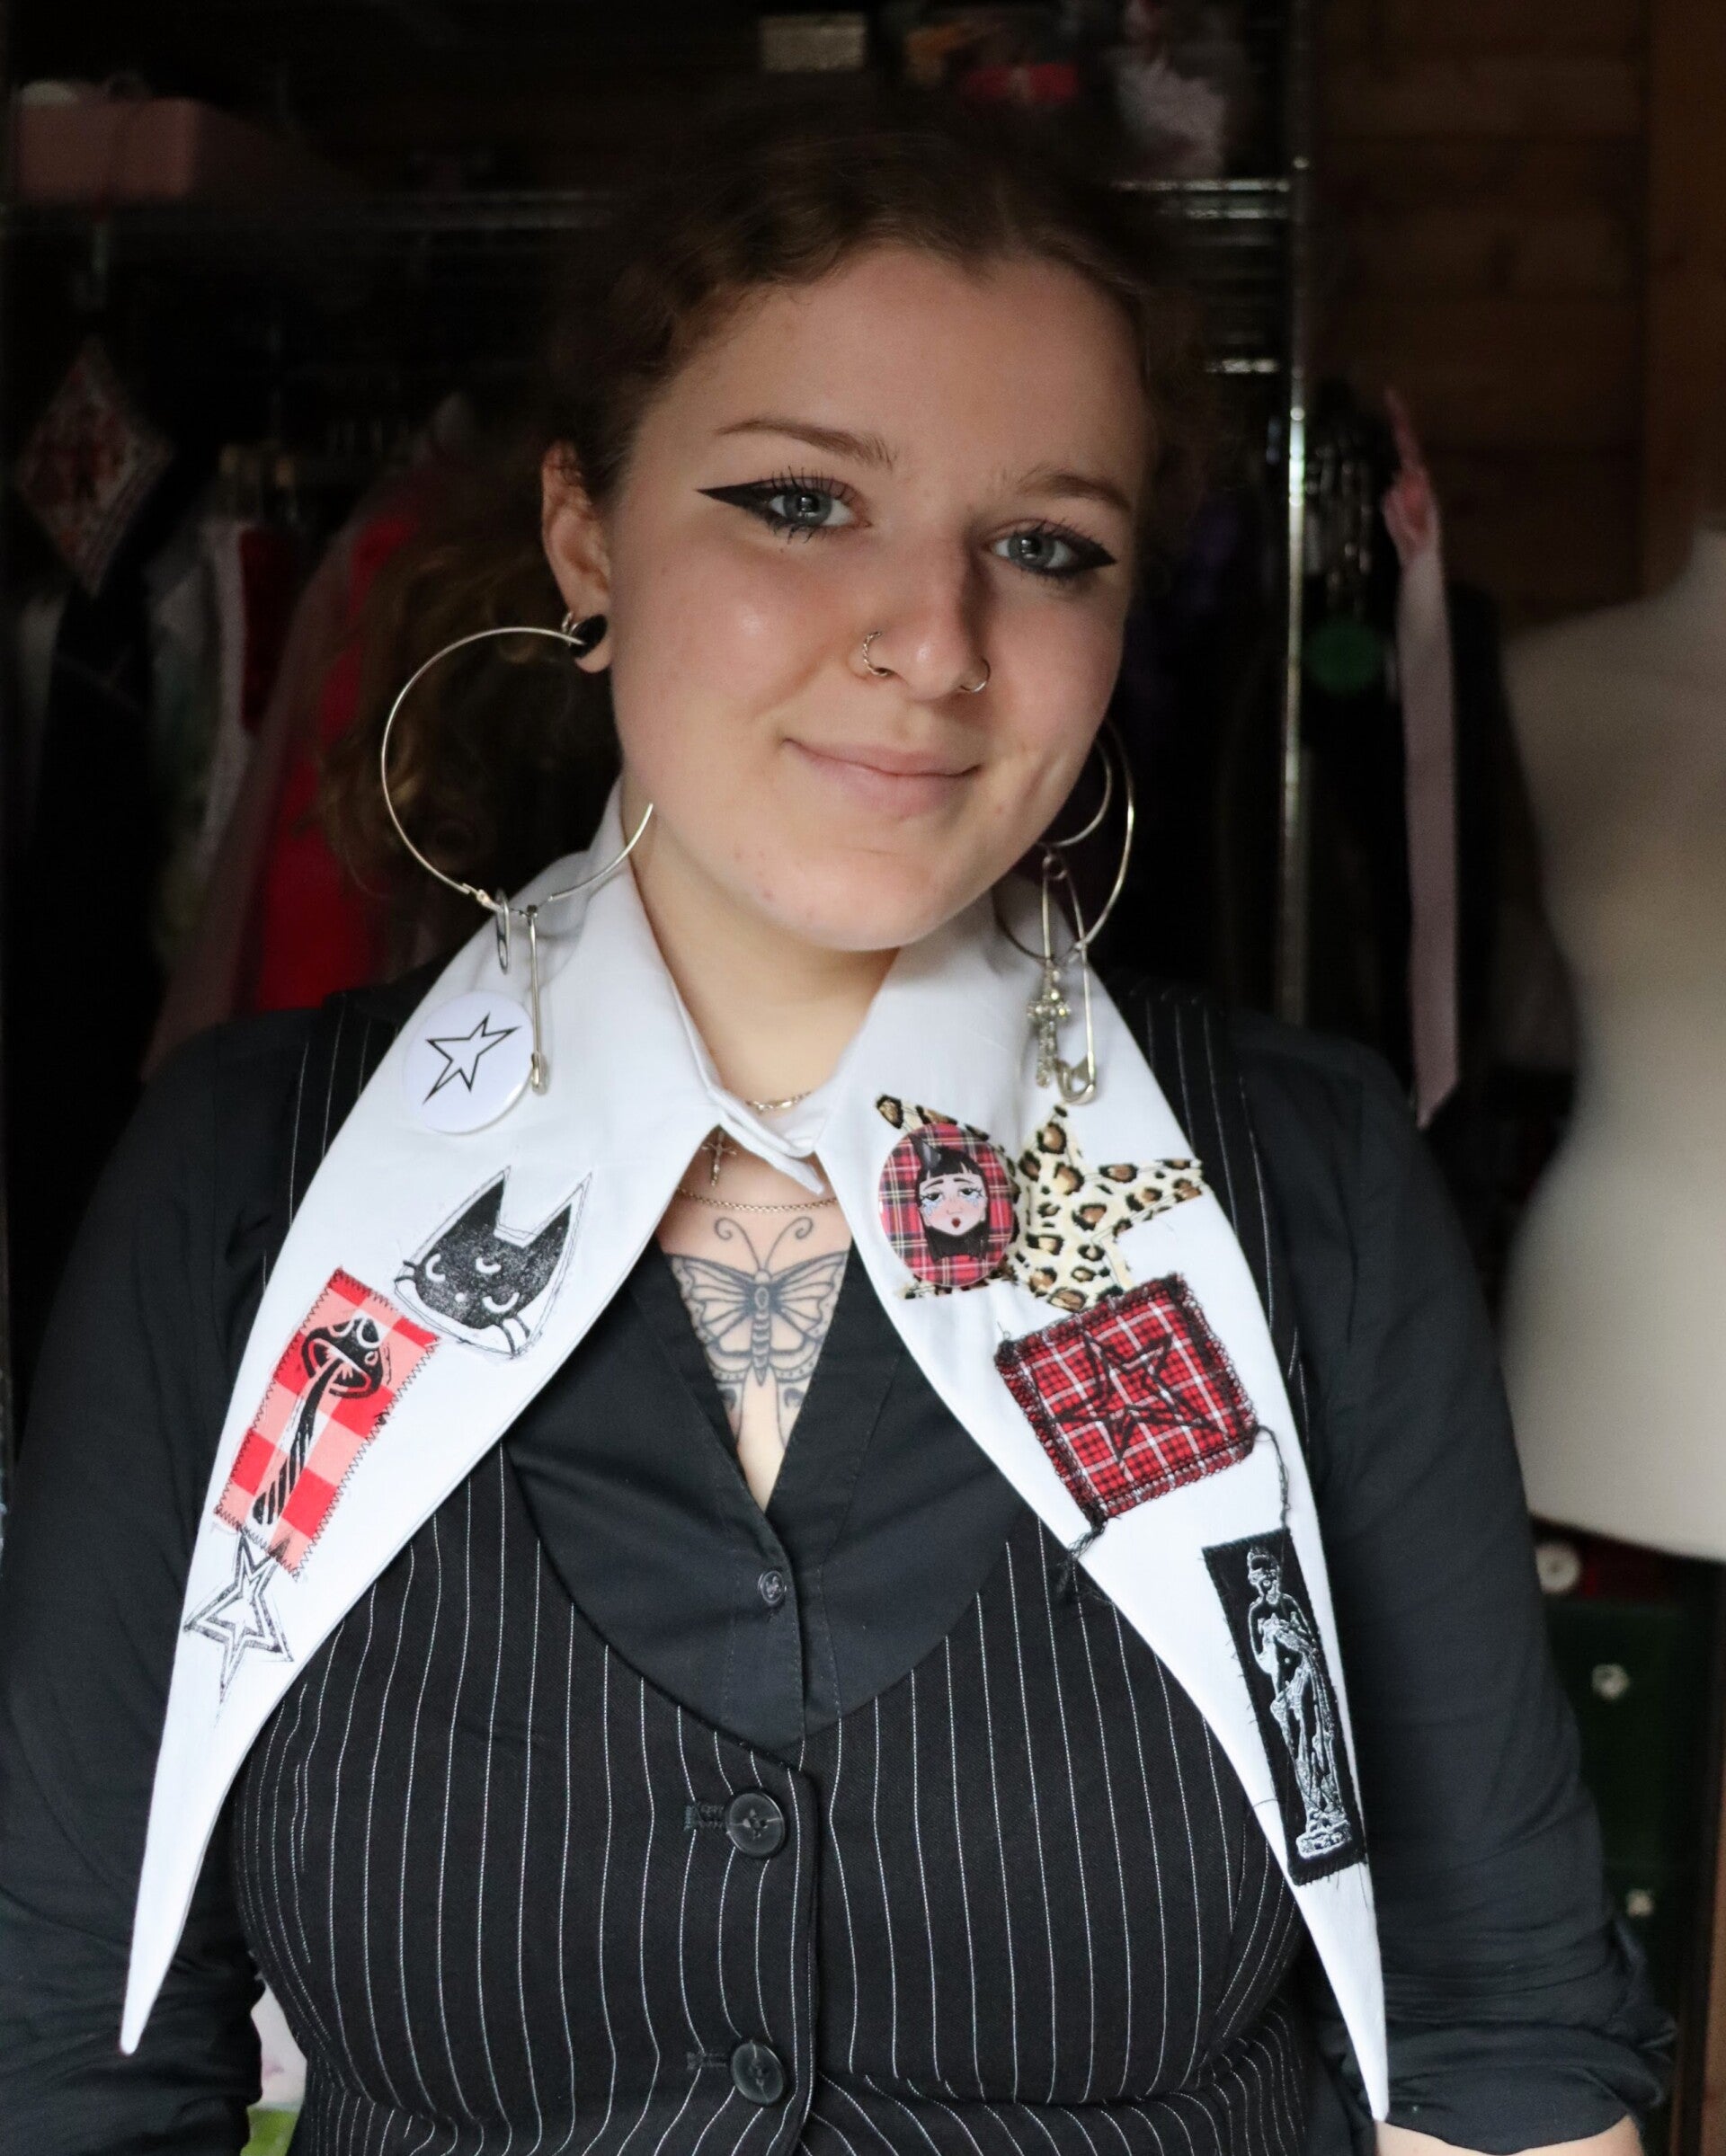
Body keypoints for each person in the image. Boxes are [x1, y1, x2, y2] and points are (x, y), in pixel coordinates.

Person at [0, 94, 1668, 2156]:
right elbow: (70, 2058)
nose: (935, 643)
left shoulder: (1303, 1187)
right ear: (586, 536)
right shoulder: (248, 1191)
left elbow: (1500, 2055)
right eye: (801, 504)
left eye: (1046, 547)